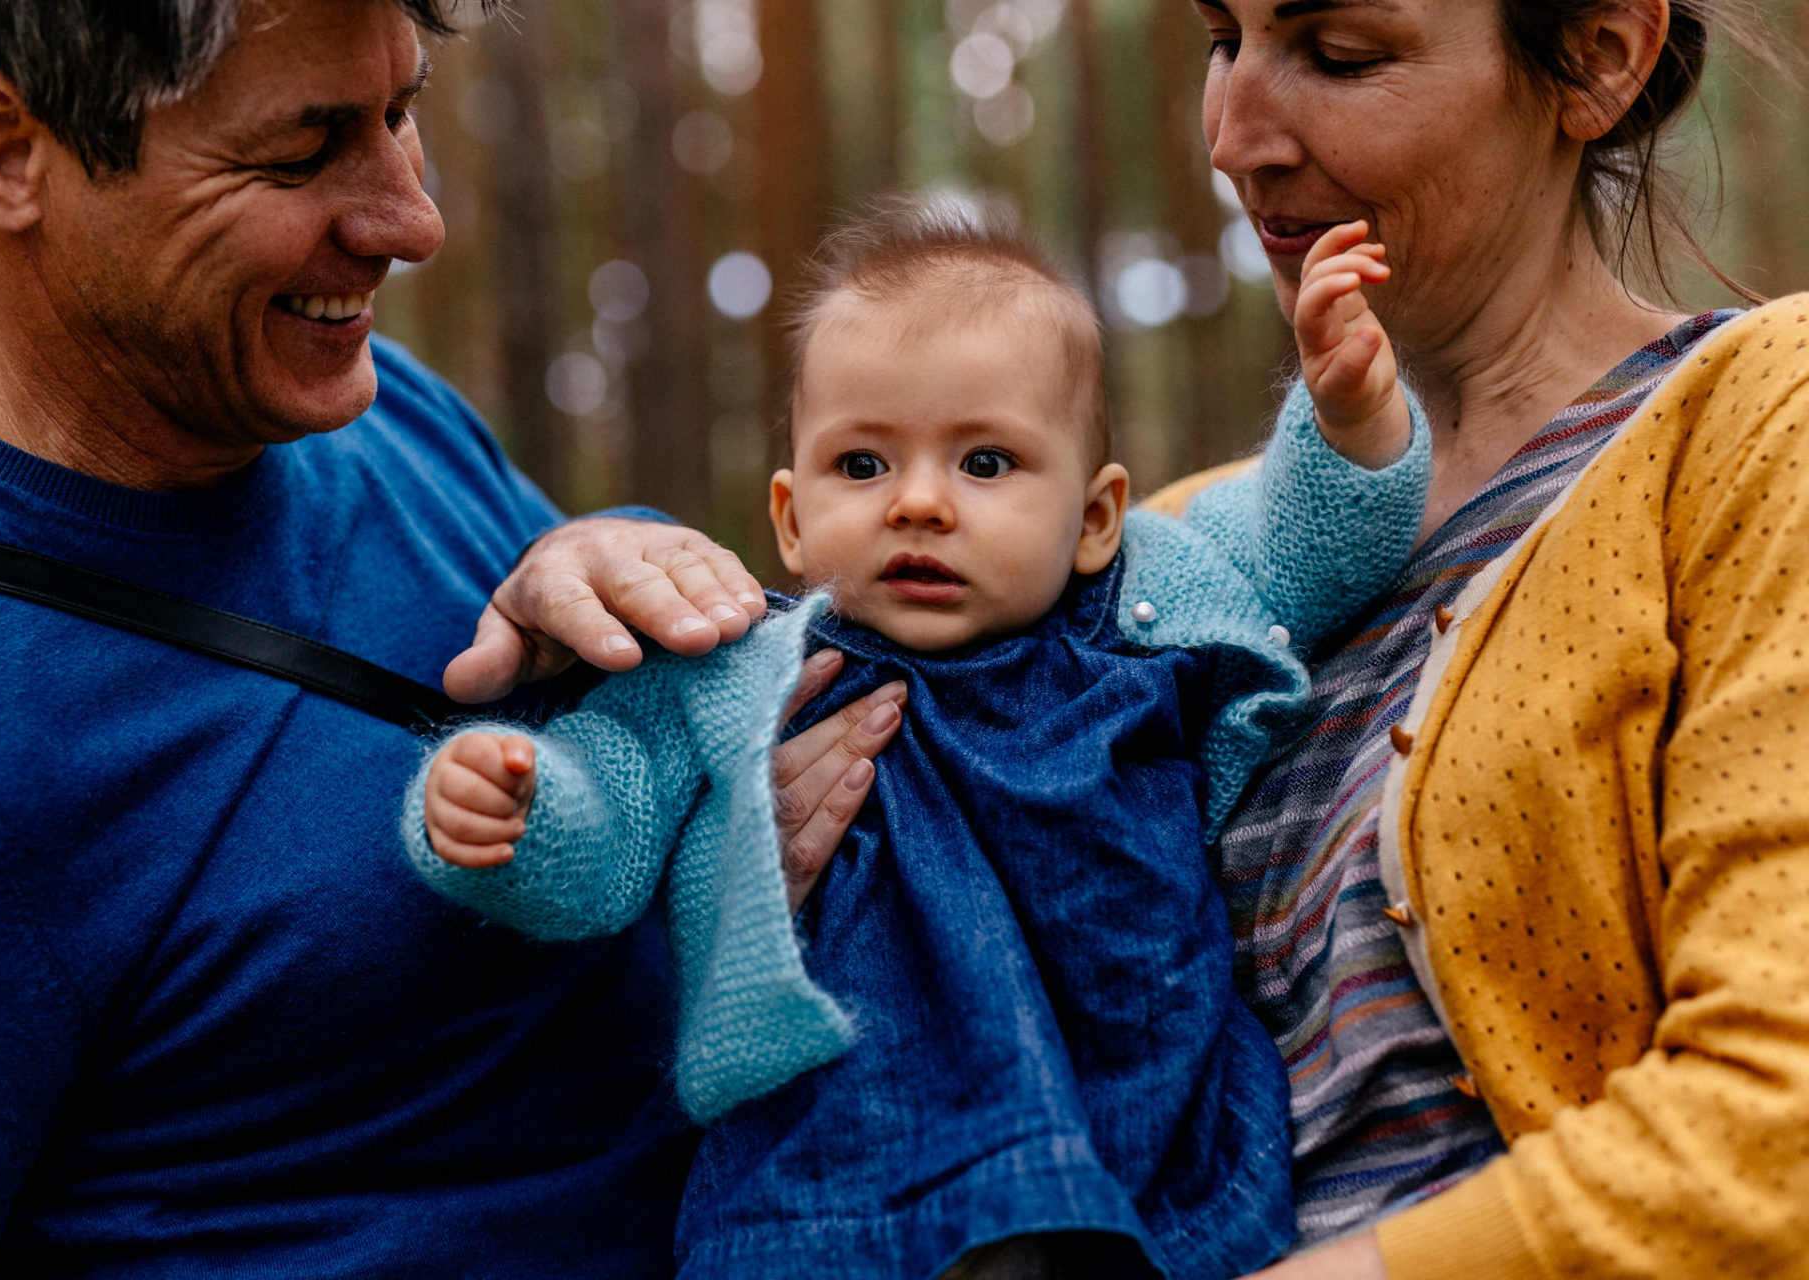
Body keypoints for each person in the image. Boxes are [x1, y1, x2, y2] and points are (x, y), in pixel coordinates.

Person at [452, 1, 1809, 1277]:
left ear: (1603, 56)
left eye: (1336, 51)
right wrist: (721, 849)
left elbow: (1777, 1126)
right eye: (1225, 37)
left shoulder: (1756, 427)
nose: (1232, 134)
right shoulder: (1146, 575)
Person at [0, 1, 883, 1274]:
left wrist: (607, 560)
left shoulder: (371, 406)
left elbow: (635, 806)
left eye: (401, 113)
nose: (412, 222)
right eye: (302, 152)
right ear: (0, 150)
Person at [410, 202, 1427, 1279]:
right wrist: (521, 809)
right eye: (863, 465)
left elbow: (1306, 546)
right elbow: (615, 804)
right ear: (791, 519)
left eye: (986, 463)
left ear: (1095, 518)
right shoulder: (745, 664)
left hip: (1141, 1145)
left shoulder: (1148, 605)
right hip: (837, 1180)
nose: (922, 503)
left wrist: (1349, 416)